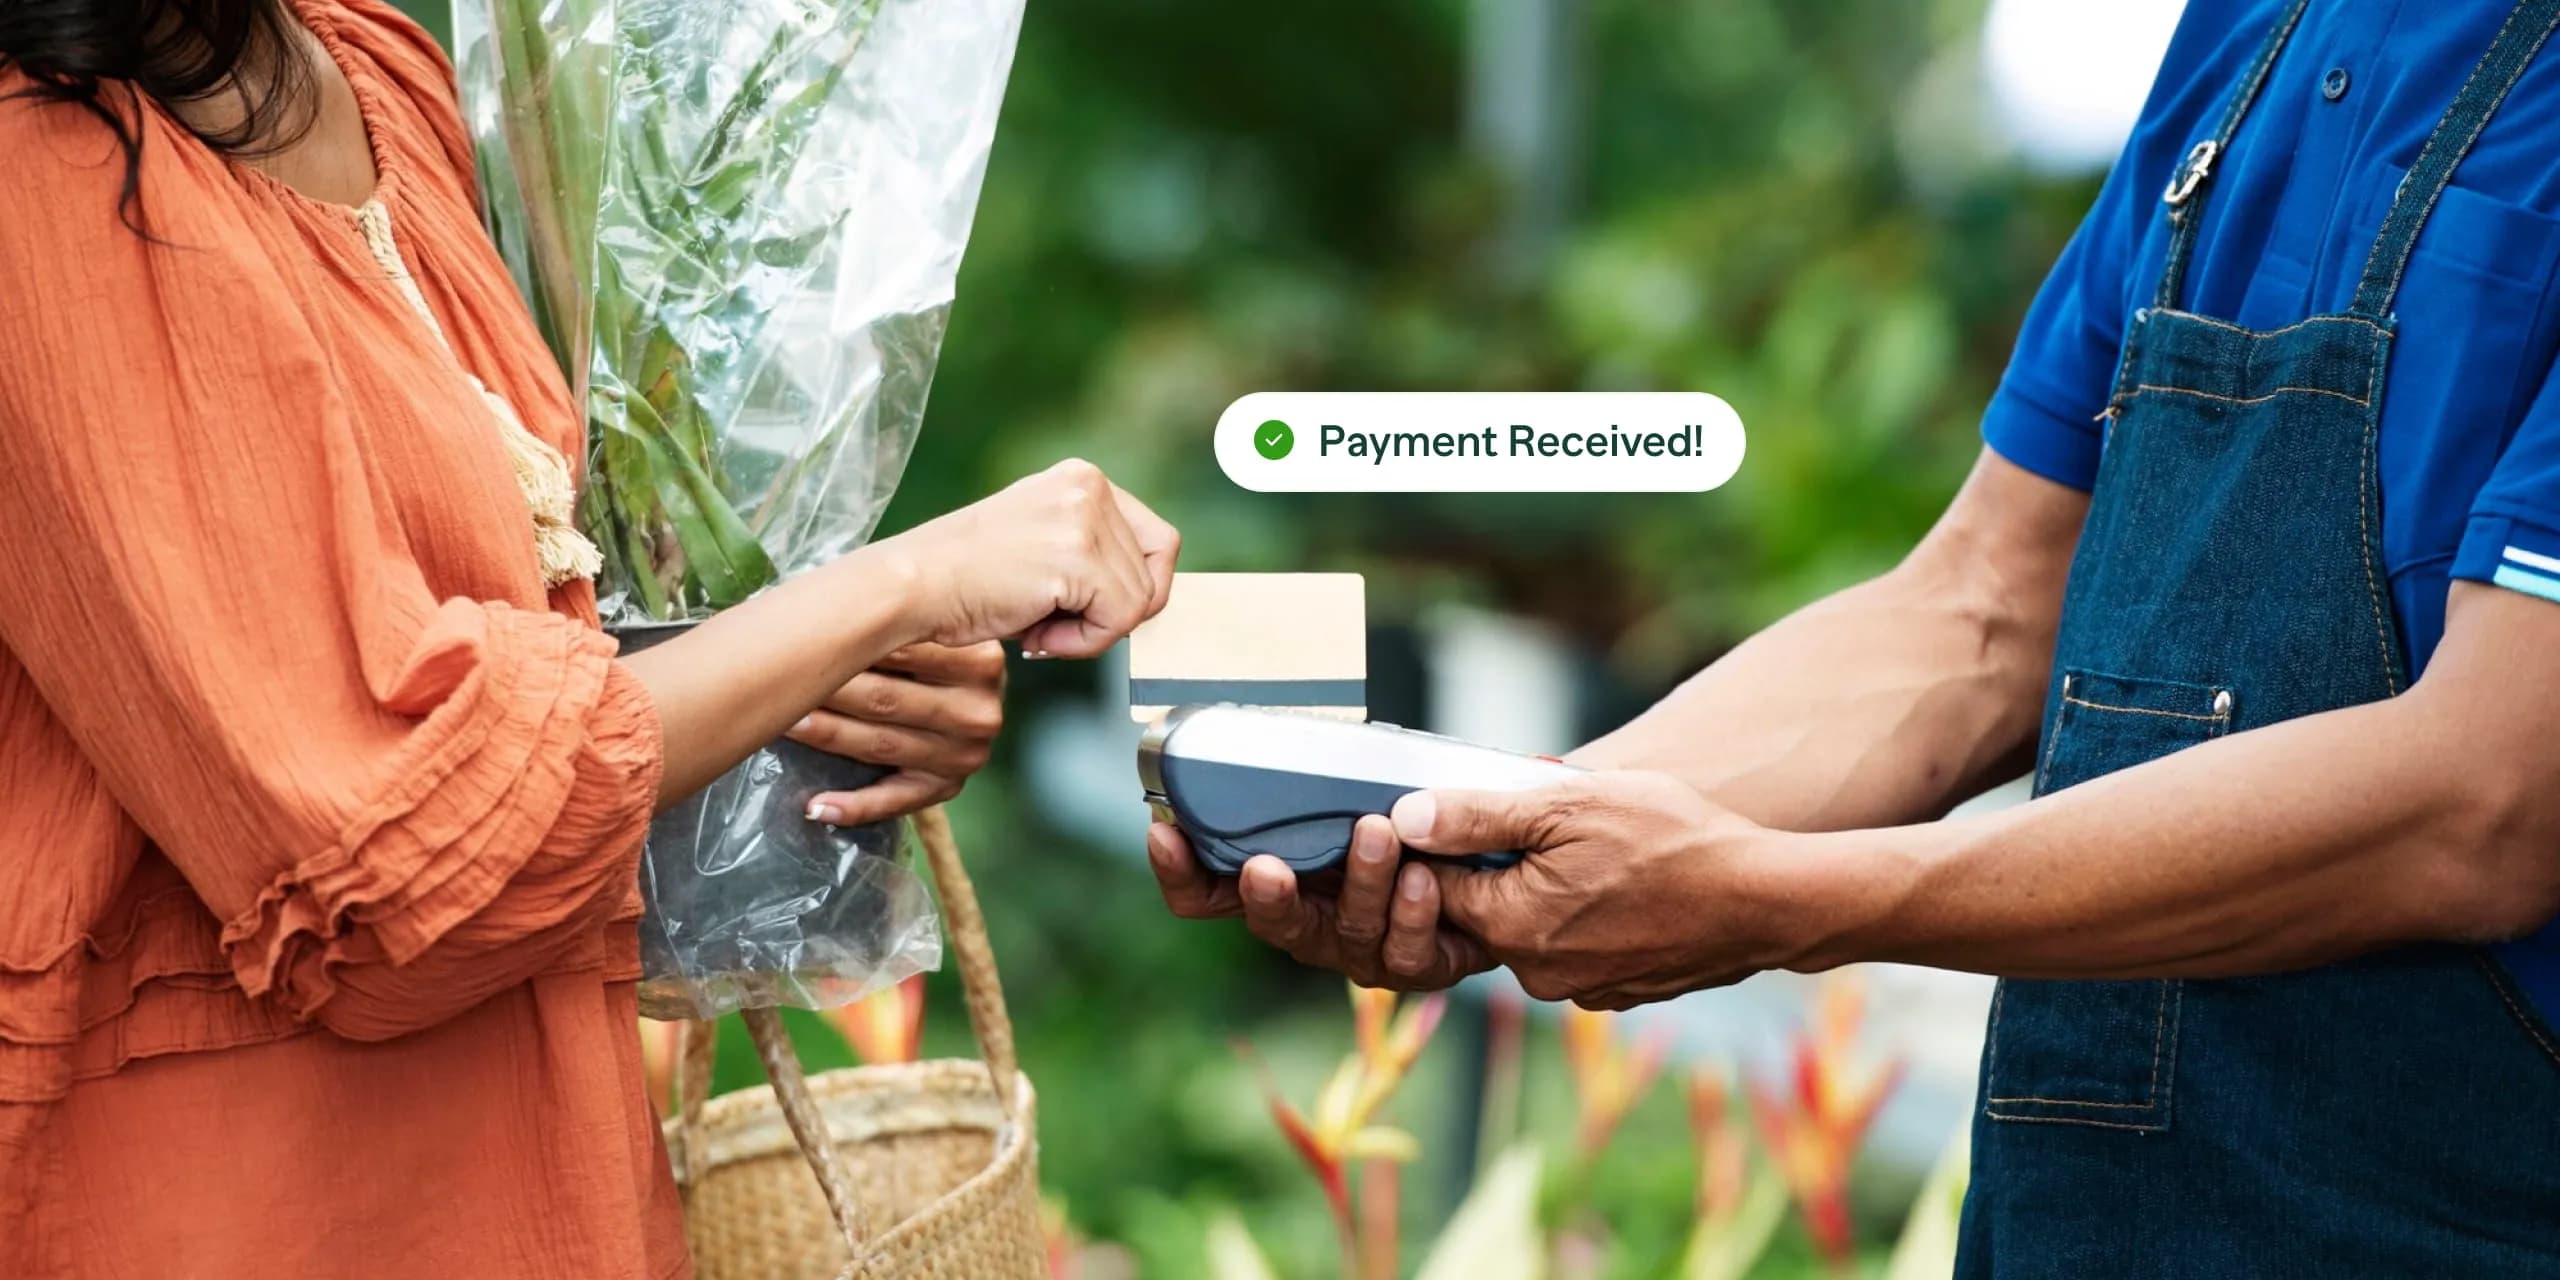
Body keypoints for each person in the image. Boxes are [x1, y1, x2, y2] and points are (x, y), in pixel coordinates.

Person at [1153, 1, 2560, 1272]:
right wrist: (1503, 824)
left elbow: (2488, 799)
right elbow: (1983, 611)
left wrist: (1787, 901)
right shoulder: (2248, 36)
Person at [0, 0, 1180, 1274]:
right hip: (251, 1208)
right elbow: (393, 872)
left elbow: (511, 678)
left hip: (551, 1183)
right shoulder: (42, 164)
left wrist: (838, 686)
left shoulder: (372, 65)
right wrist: (898, 588)